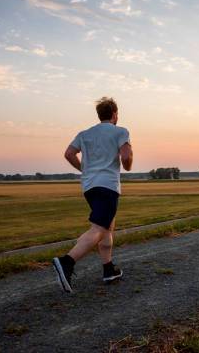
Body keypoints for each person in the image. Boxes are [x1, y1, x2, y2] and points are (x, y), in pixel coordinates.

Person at [53, 97, 133, 293]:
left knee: (106, 227)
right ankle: (66, 262)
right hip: (108, 186)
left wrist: (84, 169)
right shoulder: (121, 131)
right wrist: (128, 165)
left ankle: (108, 269)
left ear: (99, 115)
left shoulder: (84, 134)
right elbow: (126, 156)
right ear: (115, 114)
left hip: (89, 187)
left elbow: (69, 154)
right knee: (99, 228)